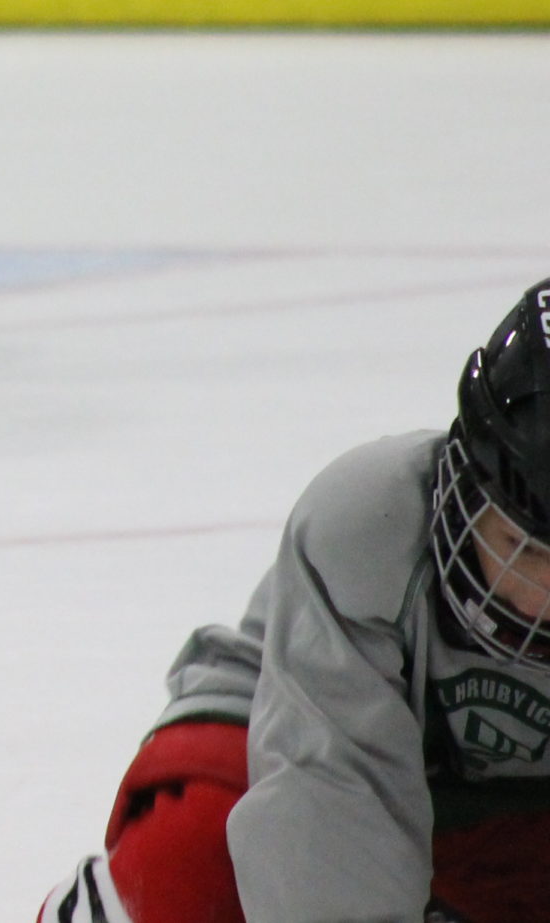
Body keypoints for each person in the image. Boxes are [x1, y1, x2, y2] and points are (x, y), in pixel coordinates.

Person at [38, 280, 550, 923]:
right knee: (188, 860)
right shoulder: (371, 520)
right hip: (291, 734)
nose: (544, 598)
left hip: (511, 819)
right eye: (522, 548)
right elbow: (325, 797)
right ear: (465, 486)